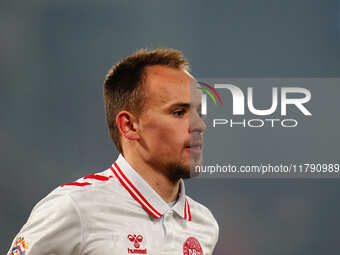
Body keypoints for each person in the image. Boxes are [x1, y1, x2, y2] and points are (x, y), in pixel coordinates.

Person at [7, 48, 219, 255]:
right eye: (179, 112)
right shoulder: (75, 208)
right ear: (129, 125)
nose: (199, 125)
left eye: (199, 113)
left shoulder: (204, 224)